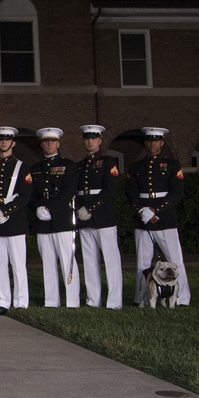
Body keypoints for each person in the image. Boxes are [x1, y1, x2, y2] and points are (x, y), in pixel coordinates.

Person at [126, 126, 190, 306]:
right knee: (142, 261)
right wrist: (142, 211)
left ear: (162, 142)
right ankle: (142, 297)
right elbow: (131, 192)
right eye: (149, 140)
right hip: (142, 218)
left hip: (165, 217)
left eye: (156, 140)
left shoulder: (172, 164)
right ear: (146, 143)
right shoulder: (137, 166)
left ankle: (182, 298)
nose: (152, 143)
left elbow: (176, 192)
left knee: (175, 259)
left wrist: (155, 210)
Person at [0, 127, 32, 315]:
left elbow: (25, 195)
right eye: (0, 140)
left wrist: (6, 211)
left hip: (14, 220)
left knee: (18, 264)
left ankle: (21, 301)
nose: (3, 143)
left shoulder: (22, 167)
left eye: (7, 140)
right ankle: (3, 301)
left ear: (13, 143)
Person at [29, 127, 81, 308]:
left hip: (61, 219)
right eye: (45, 142)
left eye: (52, 141)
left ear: (58, 144)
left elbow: (69, 191)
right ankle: (51, 301)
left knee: (67, 260)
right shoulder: (35, 168)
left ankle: (72, 301)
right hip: (43, 221)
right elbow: (32, 193)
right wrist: (37, 208)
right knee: (48, 263)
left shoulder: (68, 165)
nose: (48, 144)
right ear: (42, 144)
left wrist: (50, 208)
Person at [76, 124, 123, 310]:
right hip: (85, 219)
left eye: (93, 138)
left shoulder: (108, 162)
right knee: (89, 261)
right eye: (87, 138)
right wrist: (81, 209)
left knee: (111, 261)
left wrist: (90, 207)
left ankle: (114, 302)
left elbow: (110, 189)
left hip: (103, 217)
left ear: (100, 141)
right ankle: (93, 300)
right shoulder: (80, 165)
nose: (90, 141)